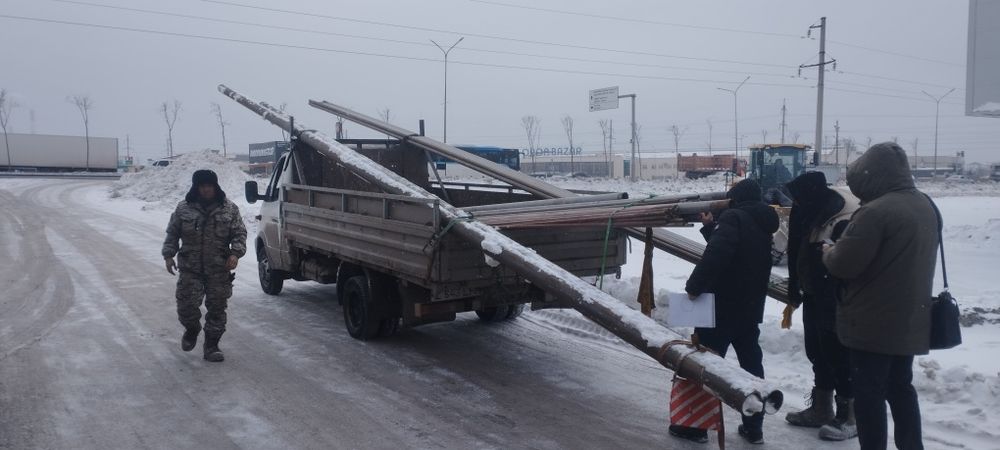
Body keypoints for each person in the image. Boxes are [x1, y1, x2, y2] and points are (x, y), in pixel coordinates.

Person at [822, 142, 937, 450]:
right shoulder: (924, 205)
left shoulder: (875, 212)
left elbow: (845, 264)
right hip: (910, 318)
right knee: (901, 388)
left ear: (872, 177)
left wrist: (829, 252)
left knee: (869, 395)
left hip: (872, 322)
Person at [669, 179, 780, 445]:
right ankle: (754, 427)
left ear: (735, 199)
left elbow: (718, 255)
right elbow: (739, 251)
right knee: (751, 366)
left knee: (704, 363)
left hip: (720, 307)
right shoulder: (762, 221)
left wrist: (693, 288)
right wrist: (711, 228)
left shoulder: (733, 217)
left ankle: (694, 427)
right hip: (749, 308)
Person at [783, 172, 860, 441]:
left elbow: (848, 263)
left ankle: (849, 415)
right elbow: (794, 248)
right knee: (817, 350)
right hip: (814, 292)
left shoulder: (839, 215)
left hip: (836, 296)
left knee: (839, 353)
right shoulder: (807, 208)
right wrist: (795, 285)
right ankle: (822, 407)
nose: (797, 203)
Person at [162, 169, 247, 362]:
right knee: (186, 307)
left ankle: (212, 346)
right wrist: (169, 255)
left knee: (217, 309)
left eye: (209, 185)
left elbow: (239, 234)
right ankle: (192, 329)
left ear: (215, 186)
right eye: (202, 186)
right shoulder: (184, 208)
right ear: (196, 187)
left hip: (219, 268)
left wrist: (235, 253)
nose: (206, 189)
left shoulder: (229, 209)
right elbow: (172, 234)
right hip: (190, 268)